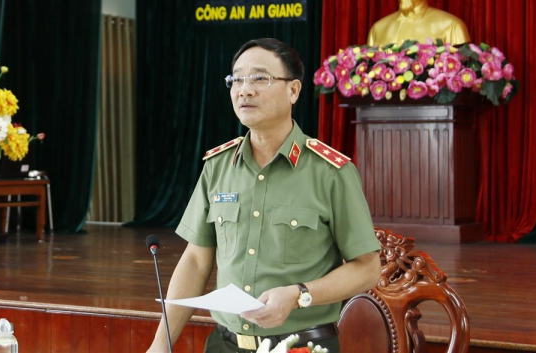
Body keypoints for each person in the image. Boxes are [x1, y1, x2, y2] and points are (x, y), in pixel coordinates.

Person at [148, 38, 381, 353]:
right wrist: (160, 345)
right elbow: (195, 259)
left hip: (301, 346)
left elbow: (367, 268)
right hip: (225, 345)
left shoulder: (330, 172)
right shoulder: (218, 167)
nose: (245, 89)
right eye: (237, 79)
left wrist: (299, 295)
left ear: (293, 91)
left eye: (259, 78)